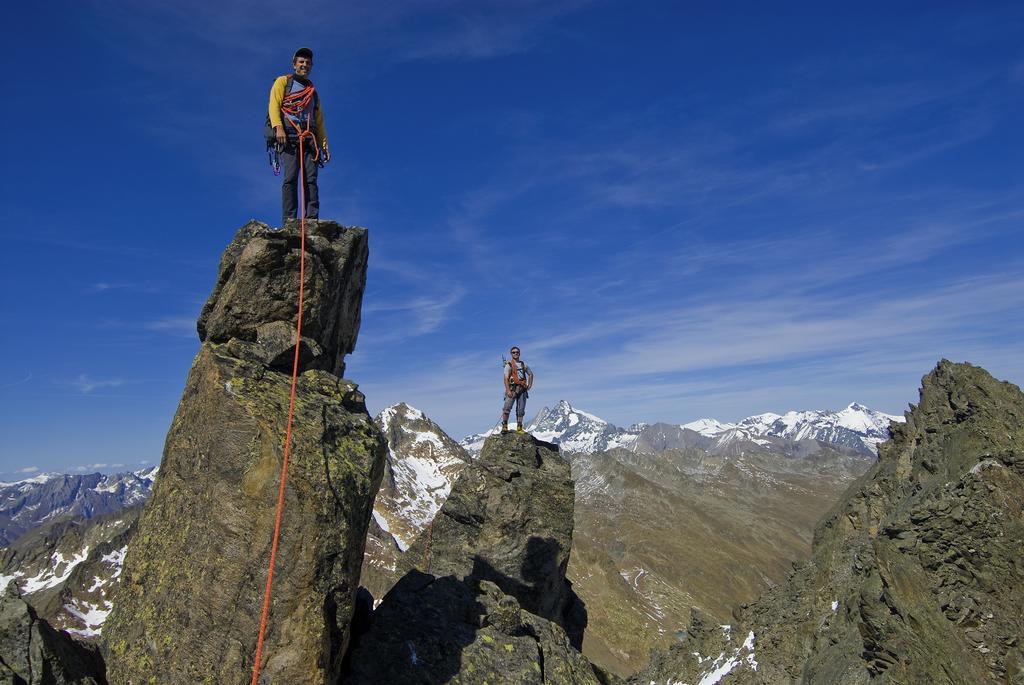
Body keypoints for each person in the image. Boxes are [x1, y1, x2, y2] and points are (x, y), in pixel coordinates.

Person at [267, 47, 330, 224]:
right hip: (288, 135)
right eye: (301, 62)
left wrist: (324, 146)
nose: (305, 65)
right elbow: (274, 105)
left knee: (311, 179)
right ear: (294, 64)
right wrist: (278, 127)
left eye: (308, 63)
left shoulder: (313, 92)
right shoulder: (282, 82)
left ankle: (311, 219)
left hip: (309, 138)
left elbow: (319, 121)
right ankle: (289, 219)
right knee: (290, 177)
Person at [501, 346, 534, 434]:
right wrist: (507, 390)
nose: (515, 353)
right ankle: (504, 426)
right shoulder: (509, 365)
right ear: (511, 354)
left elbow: (530, 374)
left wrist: (530, 384)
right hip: (512, 389)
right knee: (506, 408)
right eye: (513, 352)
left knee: (521, 409)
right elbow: (505, 379)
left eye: (517, 352)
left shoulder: (524, 365)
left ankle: (519, 427)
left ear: (519, 353)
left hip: (522, 389)